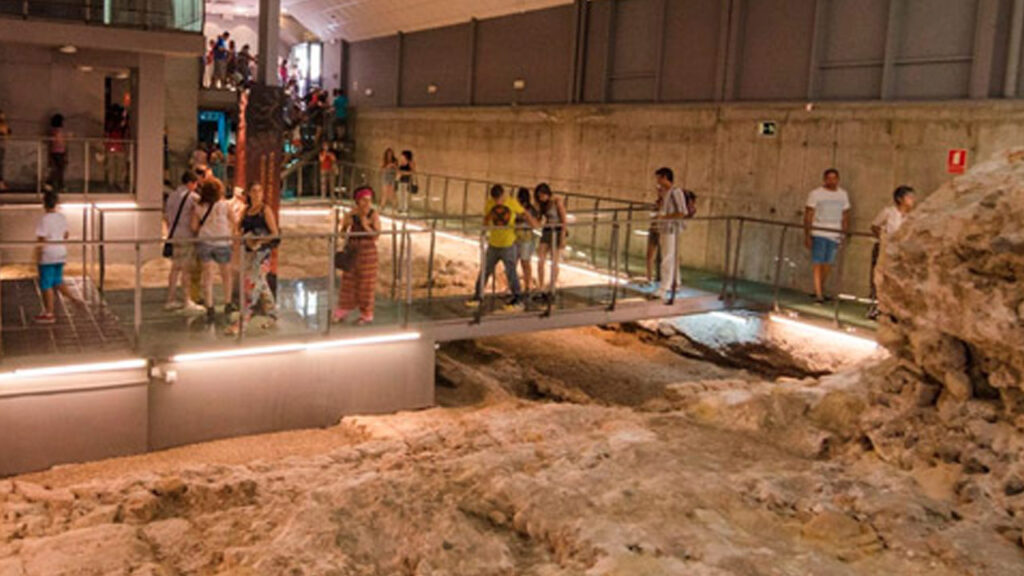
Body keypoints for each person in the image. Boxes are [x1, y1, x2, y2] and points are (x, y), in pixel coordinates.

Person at [467, 185, 538, 310]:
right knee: (485, 270)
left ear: (503, 195)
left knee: (511, 272)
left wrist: (533, 224)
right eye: (495, 200)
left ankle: (517, 299)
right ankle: (478, 296)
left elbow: (524, 213)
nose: (498, 202)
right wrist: (483, 231)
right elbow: (487, 217)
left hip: (508, 244)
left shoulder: (512, 202)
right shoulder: (490, 204)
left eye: (499, 199)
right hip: (494, 244)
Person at [227, 183, 279, 335]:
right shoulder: (246, 210)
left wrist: (259, 240)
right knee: (260, 284)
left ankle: (242, 322)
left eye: (260, 191)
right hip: (248, 252)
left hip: (261, 253)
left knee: (252, 285)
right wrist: (241, 237)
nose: (257, 194)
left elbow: (274, 233)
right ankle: (272, 313)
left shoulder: (265, 210)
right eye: (254, 191)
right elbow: (238, 228)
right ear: (249, 193)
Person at [333, 186, 381, 325]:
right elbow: (342, 234)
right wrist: (345, 224)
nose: (367, 203)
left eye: (369, 200)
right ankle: (343, 309)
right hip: (353, 252)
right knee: (348, 282)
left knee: (366, 284)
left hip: (368, 254)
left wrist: (365, 224)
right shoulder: (351, 214)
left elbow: (376, 236)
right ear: (357, 201)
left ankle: (367, 313)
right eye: (364, 200)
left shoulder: (373, 214)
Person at [867, 185, 915, 319]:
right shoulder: (888, 212)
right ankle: (876, 306)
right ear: (900, 199)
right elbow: (875, 226)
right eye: (909, 197)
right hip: (885, 249)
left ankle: (892, 309)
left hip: (901, 252)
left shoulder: (912, 217)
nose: (912, 200)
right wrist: (884, 239)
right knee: (879, 278)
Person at [191, 178, 236, 320]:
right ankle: (228, 303)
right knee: (226, 275)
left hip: (205, 242)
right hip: (223, 242)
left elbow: (193, 226)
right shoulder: (225, 205)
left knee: (208, 275)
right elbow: (234, 221)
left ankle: (209, 306)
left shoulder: (198, 207)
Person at [34, 190, 82, 323]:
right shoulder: (62, 217)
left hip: (48, 254)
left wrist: (37, 256)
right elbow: (66, 234)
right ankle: (74, 299)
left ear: (44, 204)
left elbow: (41, 239)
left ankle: (49, 313)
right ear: (56, 203)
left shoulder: (44, 220)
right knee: (57, 280)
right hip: (61, 252)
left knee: (46, 284)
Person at [804, 168, 851, 304]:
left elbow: (845, 214)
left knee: (828, 263)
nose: (832, 181)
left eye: (834, 178)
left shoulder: (842, 195)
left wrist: (844, 232)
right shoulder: (816, 194)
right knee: (818, 263)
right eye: (829, 178)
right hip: (819, 231)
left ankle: (819, 288)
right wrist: (807, 234)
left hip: (835, 233)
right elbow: (808, 214)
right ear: (824, 180)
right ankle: (819, 294)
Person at [163, 171, 204, 313]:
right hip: (187, 235)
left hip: (173, 234)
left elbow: (167, 216)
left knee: (175, 268)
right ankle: (187, 299)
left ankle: (171, 298)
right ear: (191, 183)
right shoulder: (193, 198)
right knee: (186, 269)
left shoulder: (172, 196)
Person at [652, 167, 688, 302]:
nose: (657, 181)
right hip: (665, 228)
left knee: (667, 257)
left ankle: (664, 287)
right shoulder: (665, 193)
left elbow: (682, 212)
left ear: (665, 177)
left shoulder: (676, 192)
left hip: (671, 229)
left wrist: (664, 217)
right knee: (671, 256)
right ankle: (675, 282)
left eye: (659, 178)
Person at [533, 183, 566, 302]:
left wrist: (563, 237)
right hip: (547, 230)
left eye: (542, 195)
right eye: (539, 196)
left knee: (554, 261)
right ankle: (541, 286)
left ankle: (552, 286)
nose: (541, 198)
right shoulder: (543, 205)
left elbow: (563, 220)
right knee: (540, 260)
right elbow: (539, 219)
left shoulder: (557, 202)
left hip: (557, 231)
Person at [515, 187, 539, 296]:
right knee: (514, 262)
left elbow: (535, 224)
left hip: (526, 239)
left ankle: (527, 285)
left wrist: (525, 216)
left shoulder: (530, 210)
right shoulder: (516, 208)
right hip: (516, 238)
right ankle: (515, 286)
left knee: (525, 262)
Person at [646, 184, 666, 286]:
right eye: (658, 190)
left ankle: (664, 279)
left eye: (661, 190)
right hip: (654, 230)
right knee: (649, 255)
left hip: (662, 231)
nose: (659, 192)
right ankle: (649, 278)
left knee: (664, 256)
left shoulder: (667, 204)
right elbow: (652, 216)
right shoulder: (656, 203)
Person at [48, 114, 67, 191]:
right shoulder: (59, 131)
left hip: (54, 151)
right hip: (60, 152)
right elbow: (60, 141)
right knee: (60, 170)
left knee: (55, 170)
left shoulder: (52, 131)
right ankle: (60, 186)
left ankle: (54, 185)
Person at [379, 148, 399, 212]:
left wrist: (394, 166)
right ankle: (382, 207)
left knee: (392, 193)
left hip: (392, 177)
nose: (389, 155)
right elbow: (381, 169)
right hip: (385, 176)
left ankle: (395, 207)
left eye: (391, 153)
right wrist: (387, 166)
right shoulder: (384, 160)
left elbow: (397, 169)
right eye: (388, 154)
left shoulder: (395, 160)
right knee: (384, 193)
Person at [0, 110, 10, 191]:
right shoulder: (2, 126)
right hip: (1, 147)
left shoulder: (4, 126)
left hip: (2, 147)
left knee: (1, 165)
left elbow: (7, 134)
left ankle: (1, 182)